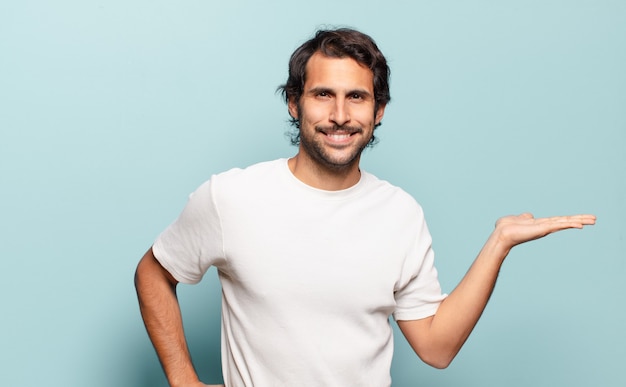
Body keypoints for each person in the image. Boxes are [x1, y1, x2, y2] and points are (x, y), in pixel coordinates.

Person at [134, 28, 596, 387]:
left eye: (356, 96)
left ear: (379, 111)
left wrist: (498, 244)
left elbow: (436, 348)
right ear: (294, 104)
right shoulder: (230, 197)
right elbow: (154, 271)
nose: (339, 115)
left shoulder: (401, 213)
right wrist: (182, 377)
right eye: (322, 95)